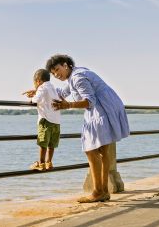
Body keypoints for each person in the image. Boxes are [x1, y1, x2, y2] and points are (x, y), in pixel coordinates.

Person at [46, 54, 130, 203]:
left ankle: (98, 191)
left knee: (90, 150)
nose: (56, 75)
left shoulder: (78, 78)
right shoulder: (75, 75)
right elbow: (62, 93)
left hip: (101, 110)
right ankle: (103, 191)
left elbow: (89, 101)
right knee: (103, 152)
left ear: (65, 65)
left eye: (57, 70)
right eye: (53, 73)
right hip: (107, 107)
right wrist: (40, 91)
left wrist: (69, 105)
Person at [22, 69, 61, 171]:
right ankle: (49, 162)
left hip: (45, 120)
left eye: (35, 83)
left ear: (38, 81)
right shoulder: (52, 87)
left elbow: (36, 99)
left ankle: (41, 163)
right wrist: (36, 92)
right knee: (52, 144)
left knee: (43, 143)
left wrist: (32, 99)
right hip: (56, 121)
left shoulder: (42, 88)